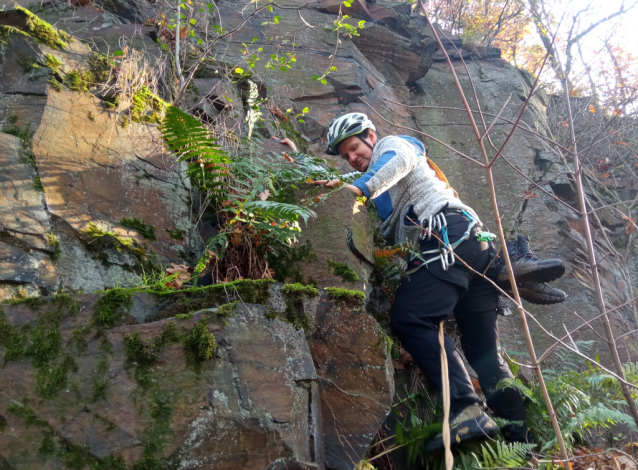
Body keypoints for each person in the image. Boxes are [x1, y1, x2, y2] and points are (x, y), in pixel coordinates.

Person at [316, 113, 565, 452]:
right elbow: (344, 178)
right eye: (345, 155)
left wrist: (358, 188)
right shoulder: (378, 177)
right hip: (474, 245)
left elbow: (396, 162)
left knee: (411, 318)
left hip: (445, 238)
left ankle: (468, 409)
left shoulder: (393, 147)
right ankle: (521, 447)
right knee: (486, 354)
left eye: (354, 148)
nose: (352, 157)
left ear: (372, 136)